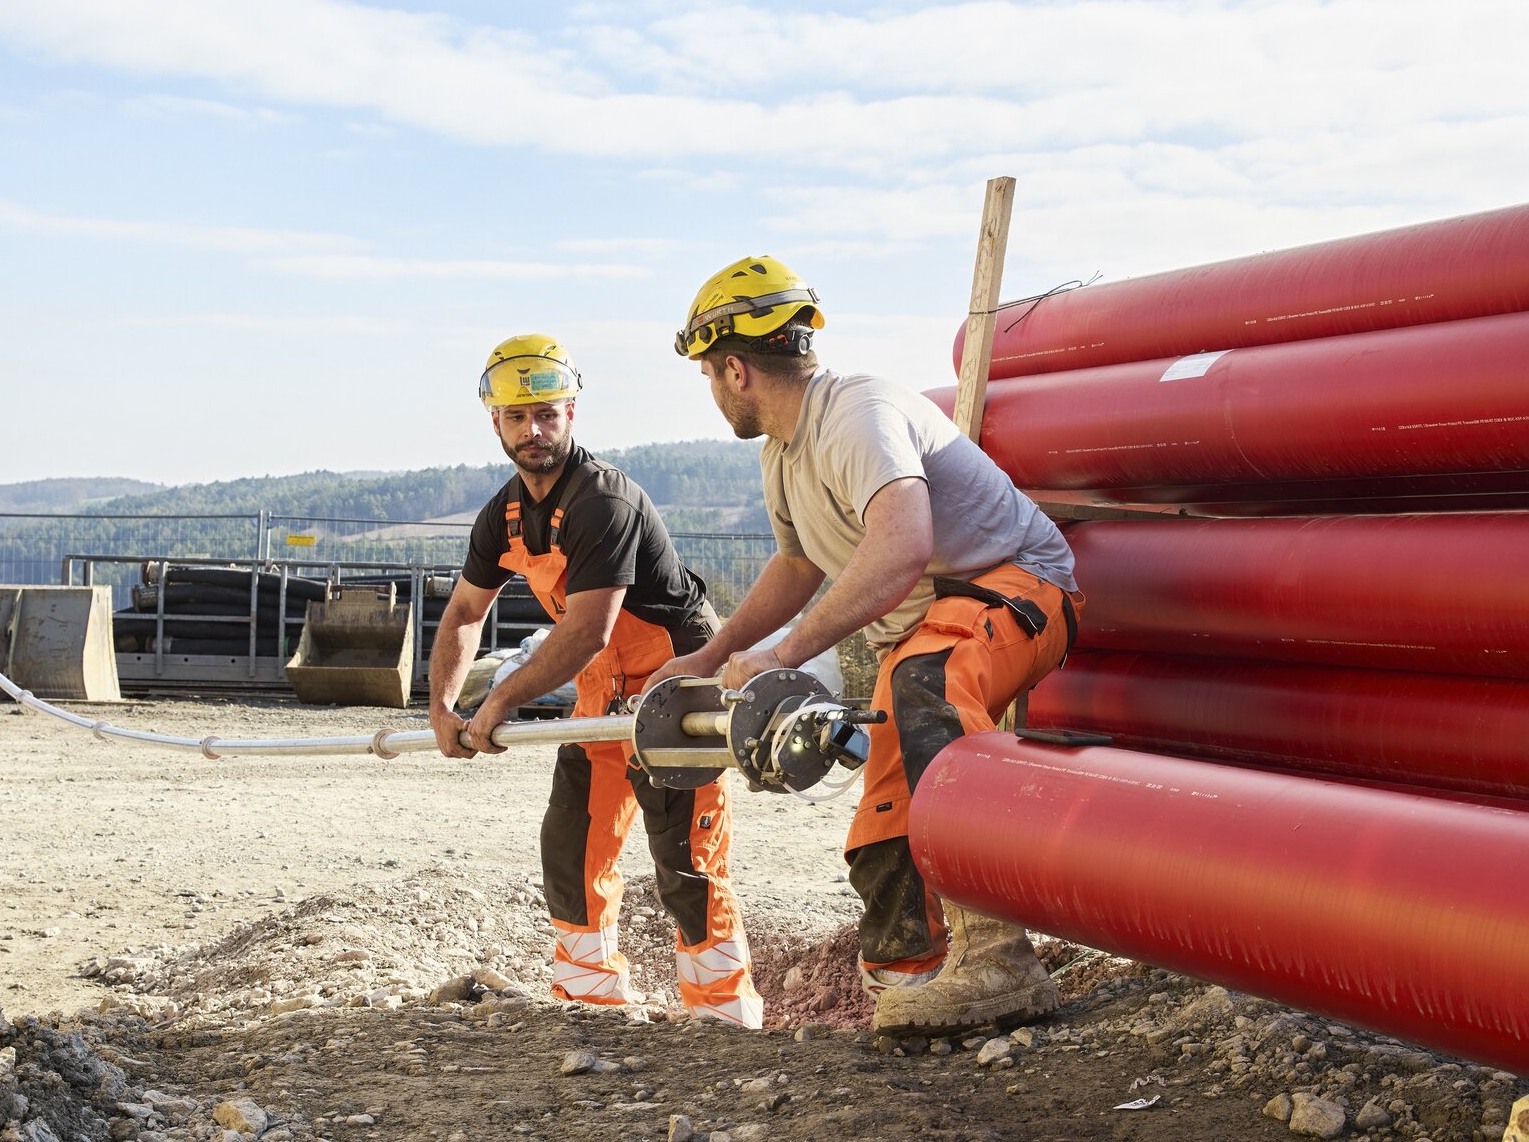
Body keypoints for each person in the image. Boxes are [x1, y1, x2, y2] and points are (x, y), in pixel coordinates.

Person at [647, 257, 1082, 1038]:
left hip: (1017, 590)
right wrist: (712, 657)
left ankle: (1001, 958)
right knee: (884, 818)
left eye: (710, 374)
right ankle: (913, 987)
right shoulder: (784, 454)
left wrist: (786, 653)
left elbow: (904, 543)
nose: (713, 391)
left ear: (735, 369)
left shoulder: (857, 413)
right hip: (927, 635)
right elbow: (797, 565)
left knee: (926, 688)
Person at [426, 334, 764, 1029]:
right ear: (495, 421)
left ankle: (727, 1020)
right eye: (517, 417)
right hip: (601, 693)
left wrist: (499, 699)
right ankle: (590, 1004)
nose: (533, 430)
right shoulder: (504, 515)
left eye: (547, 413)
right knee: (573, 847)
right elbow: (464, 610)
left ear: (571, 411)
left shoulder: (602, 500)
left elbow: (587, 629)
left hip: (677, 687)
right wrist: (440, 705)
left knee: (687, 862)